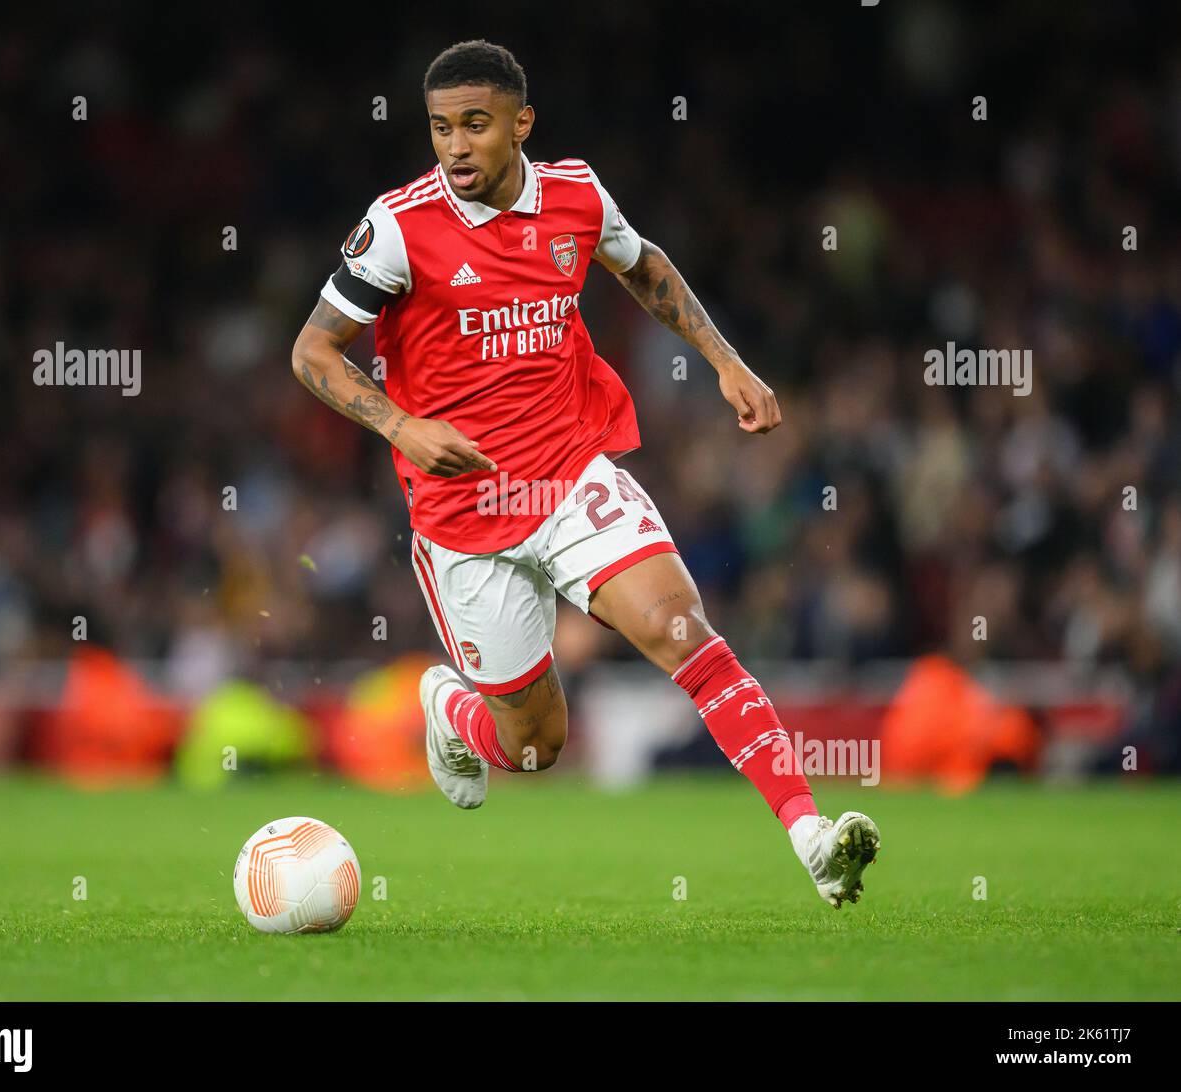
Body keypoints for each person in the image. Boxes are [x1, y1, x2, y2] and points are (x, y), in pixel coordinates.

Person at [291, 39, 880, 907]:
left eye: (476, 126)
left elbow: (645, 267)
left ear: (522, 123)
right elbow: (312, 351)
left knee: (683, 630)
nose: (455, 146)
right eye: (441, 128)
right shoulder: (398, 228)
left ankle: (813, 839)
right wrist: (400, 423)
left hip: (569, 472)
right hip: (463, 517)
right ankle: (452, 712)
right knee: (533, 749)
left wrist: (726, 362)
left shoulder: (574, 195)